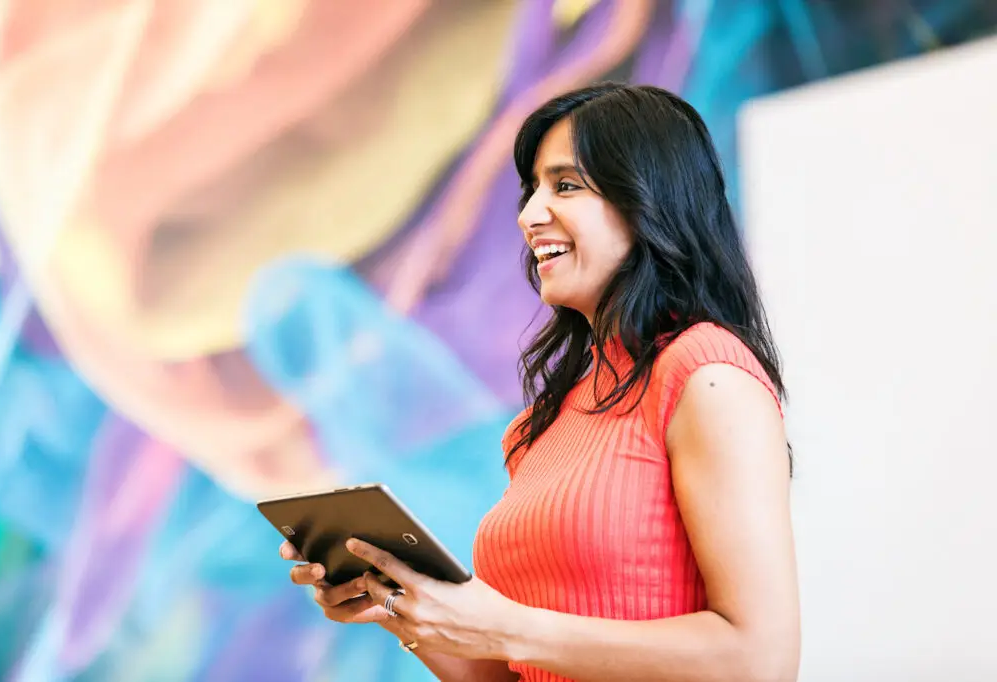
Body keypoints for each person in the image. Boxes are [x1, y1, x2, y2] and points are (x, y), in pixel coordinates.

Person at [281, 82, 800, 682]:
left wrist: (506, 626)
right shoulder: (538, 427)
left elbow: (760, 661)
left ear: (649, 197)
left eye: (566, 185)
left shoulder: (706, 373)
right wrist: (398, 607)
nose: (529, 216)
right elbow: (514, 672)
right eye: (532, 190)